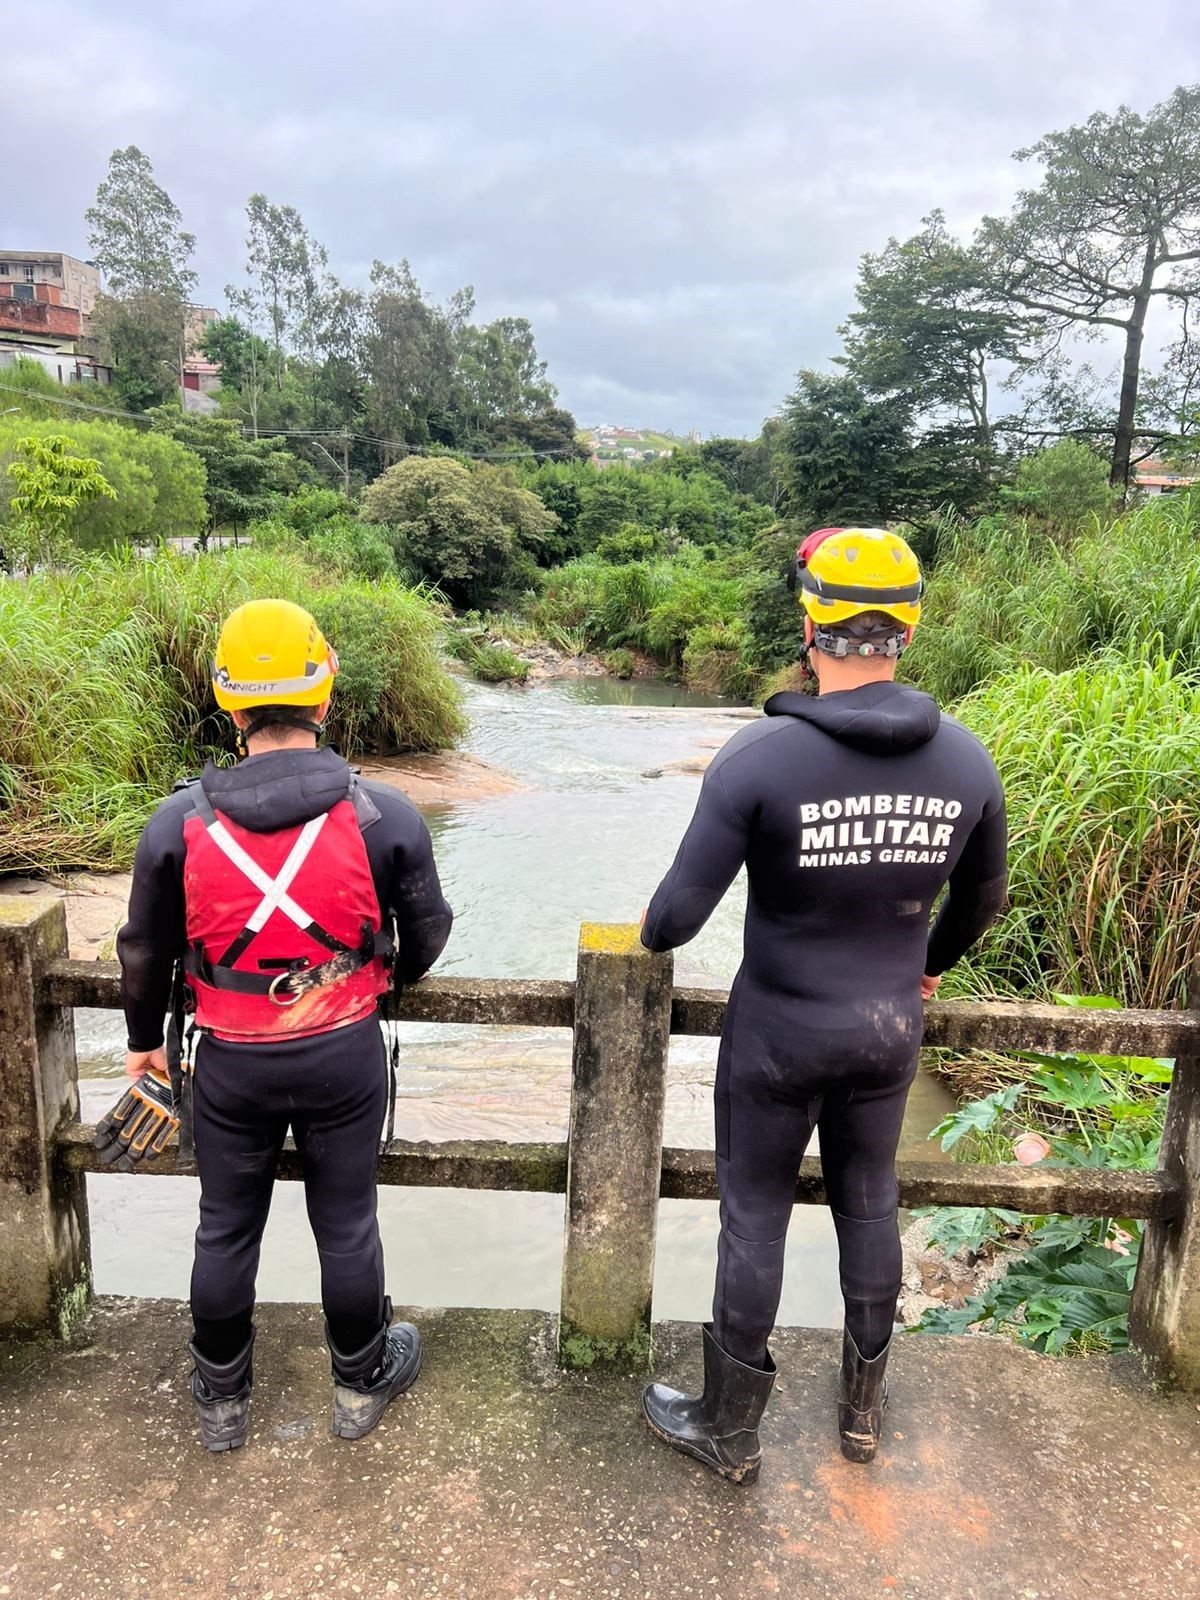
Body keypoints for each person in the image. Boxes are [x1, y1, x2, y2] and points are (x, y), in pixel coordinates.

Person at [639, 527, 1007, 1483]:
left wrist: (650, 921)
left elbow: (672, 921)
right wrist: (927, 965)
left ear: (811, 622)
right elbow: (985, 901)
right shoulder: (966, 763)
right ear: (908, 633)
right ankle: (861, 1419)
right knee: (871, 1203)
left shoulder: (760, 759)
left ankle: (729, 1429)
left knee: (754, 1216)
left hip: (778, 1034)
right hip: (888, 1030)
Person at [114, 598, 453, 1452]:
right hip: (343, 1051)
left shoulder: (177, 824)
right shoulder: (386, 815)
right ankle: (360, 1381)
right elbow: (430, 933)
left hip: (229, 1060)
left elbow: (144, 952)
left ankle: (222, 1404)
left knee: (225, 1225)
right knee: (346, 1223)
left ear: (230, 705)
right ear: (324, 695)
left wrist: (143, 1045)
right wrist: (381, 980)